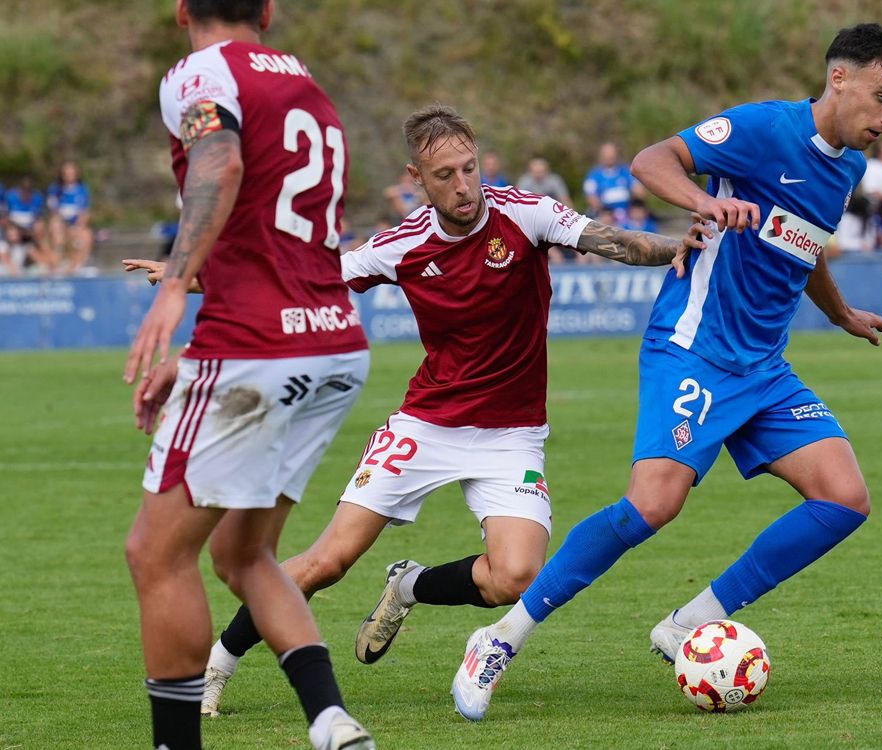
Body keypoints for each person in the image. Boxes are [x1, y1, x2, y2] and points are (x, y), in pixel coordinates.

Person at [129, 104, 705, 718]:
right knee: (327, 562)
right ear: (417, 179)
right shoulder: (399, 246)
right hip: (425, 426)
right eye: (445, 175)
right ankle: (217, 667)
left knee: (514, 576)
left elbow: (612, 241)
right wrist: (185, 276)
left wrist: (679, 246)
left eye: (470, 168)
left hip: (512, 437)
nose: (463, 186)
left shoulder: (526, 213)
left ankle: (409, 584)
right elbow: (298, 280)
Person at [450, 22, 882, 721]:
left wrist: (842, 311)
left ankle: (687, 622)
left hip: (763, 366)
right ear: (840, 78)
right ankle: (500, 636)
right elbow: (652, 158)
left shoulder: (845, 167)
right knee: (653, 505)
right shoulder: (765, 129)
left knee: (844, 499)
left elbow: (807, 240)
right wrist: (701, 201)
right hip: (694, 345)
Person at [121, 2, 375, 748]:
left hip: (259, 348)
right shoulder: (305, 82)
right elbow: (275, 243)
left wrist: (175, 285)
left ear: (179, 9)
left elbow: (221, 160)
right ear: (268, 9)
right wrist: (198, 360)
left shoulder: (201, 72)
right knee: (242, 552)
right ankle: (330, 719)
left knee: (155, 553)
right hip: (332, 343)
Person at [583, 141, 644, 221]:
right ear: (601, 155)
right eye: (607, 153)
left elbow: (640, 192)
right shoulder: (594, 175)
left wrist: (634, 202)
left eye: (612, 153)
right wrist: (605, 212)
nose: (610, 156)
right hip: (606, 213)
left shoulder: (626, 171)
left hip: (627, 212)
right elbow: (591, 197)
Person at [4, 177, 56, 272]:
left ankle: (52, 266)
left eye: (28, 191)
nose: (26, 193)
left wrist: (29, 233)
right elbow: (5, 219)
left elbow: (39, 220)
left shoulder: (37, 198)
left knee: (38, 240)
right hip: (13, 231)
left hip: (28, 235)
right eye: (23, 190)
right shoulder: (10, 197)